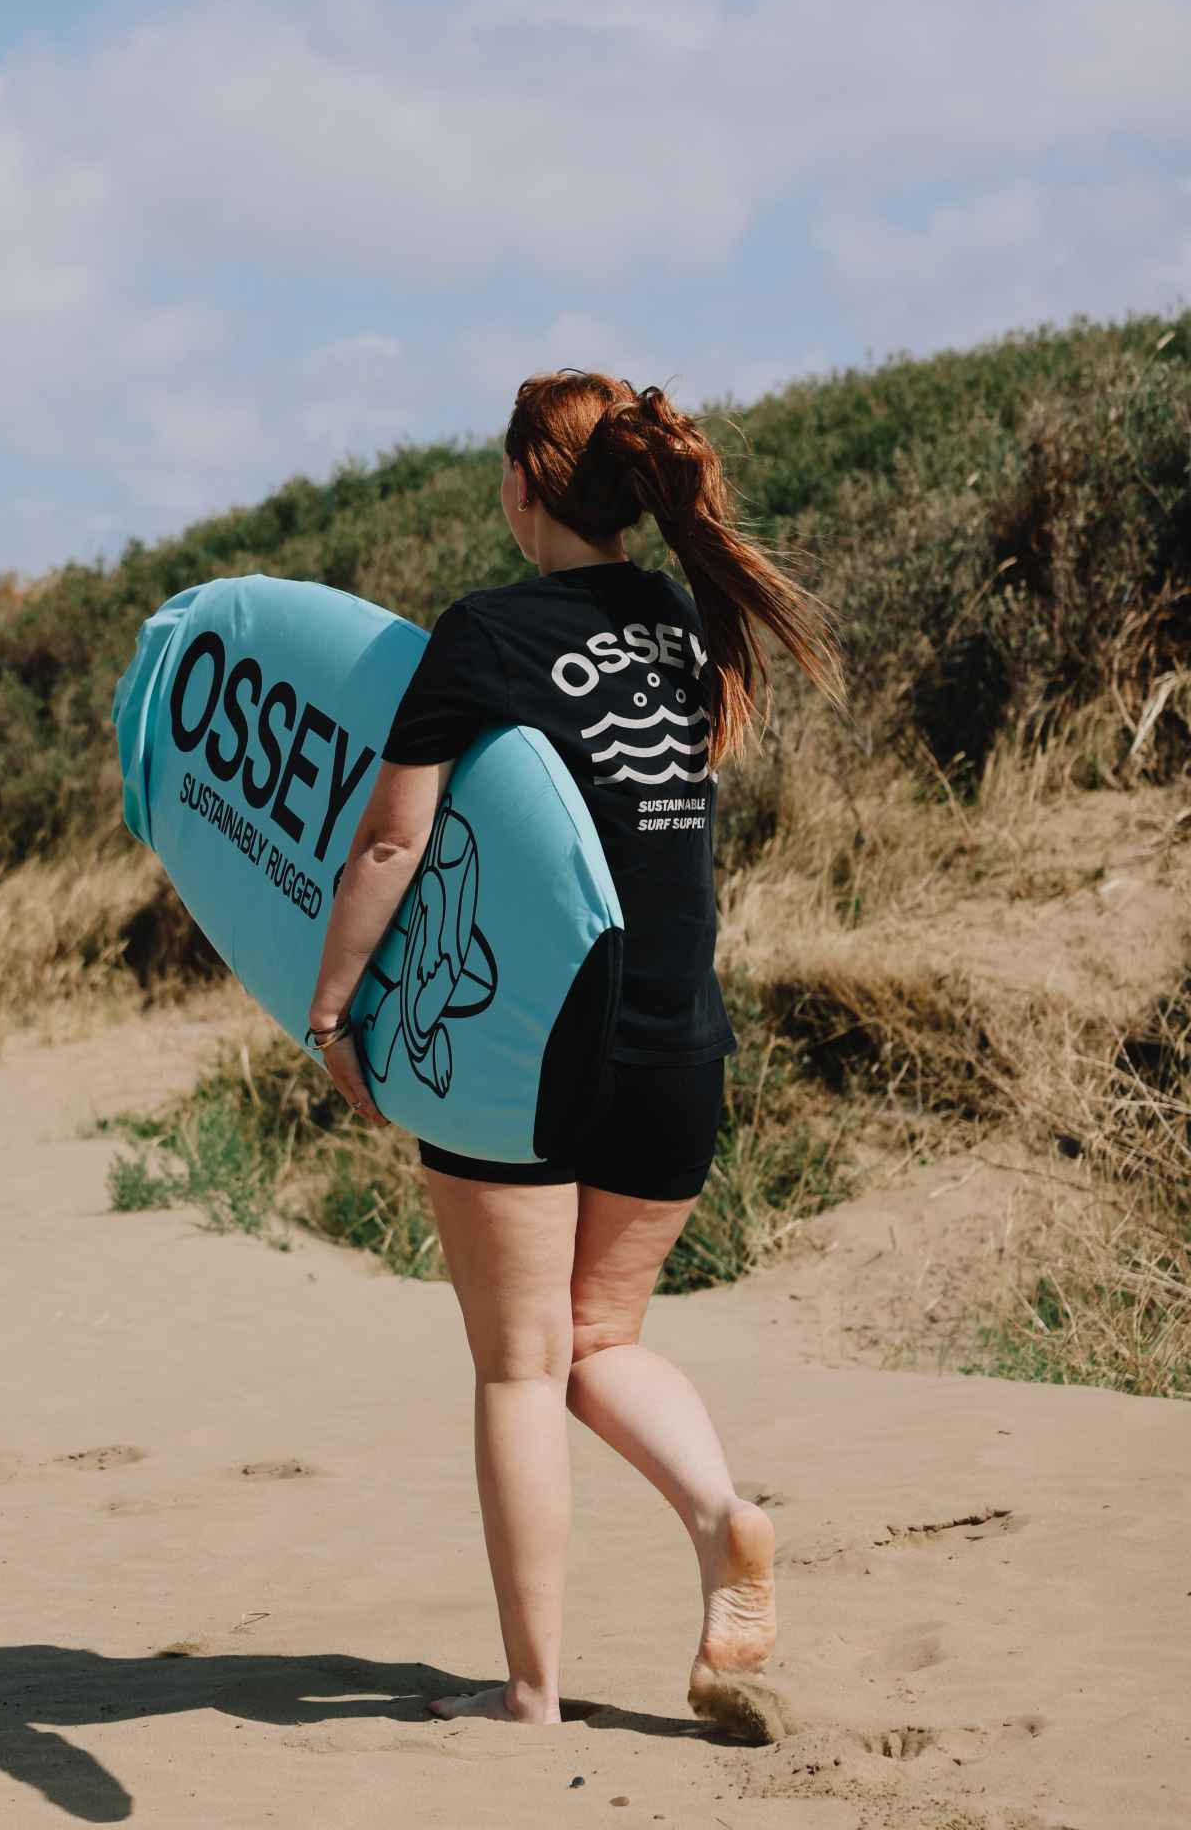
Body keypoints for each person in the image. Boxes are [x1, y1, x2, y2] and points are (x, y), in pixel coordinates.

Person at [305, 371, 844, 1727]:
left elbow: (391, 838)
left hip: (526, 1042)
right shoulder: (677, 620)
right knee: (599, 1339)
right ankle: (721, 1516)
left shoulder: (482, 635)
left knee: (517, 1365)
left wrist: (332, 1006)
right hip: (678, 1044)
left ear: (522, 488)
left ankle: (534, 1695)